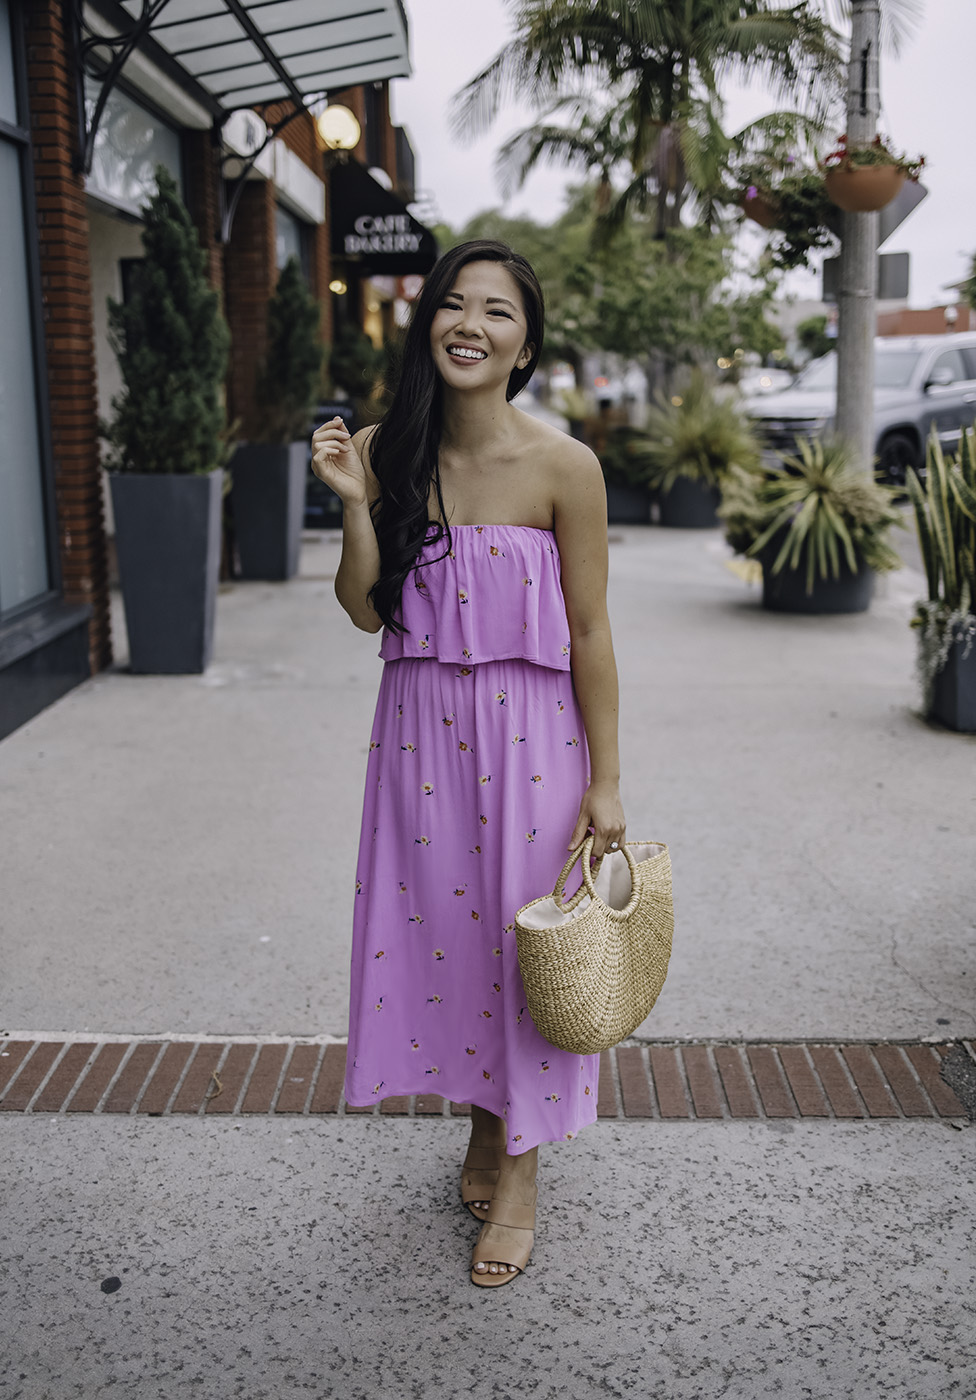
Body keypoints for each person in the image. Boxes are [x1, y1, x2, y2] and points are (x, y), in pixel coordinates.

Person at [310, 239, 624, 1288]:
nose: (470, 325)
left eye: (496, 311)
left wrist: (608, 780)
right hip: (420, 731)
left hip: (533, 737)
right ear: (425, 324)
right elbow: (365, 611)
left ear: (524, 342)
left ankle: (521, 1170)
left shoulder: (564, 466)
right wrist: (354, 498)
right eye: (453, 305)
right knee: (449, 935)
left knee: (521, 947)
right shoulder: (389, 450)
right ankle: (484, 1130)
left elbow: (589, 630)